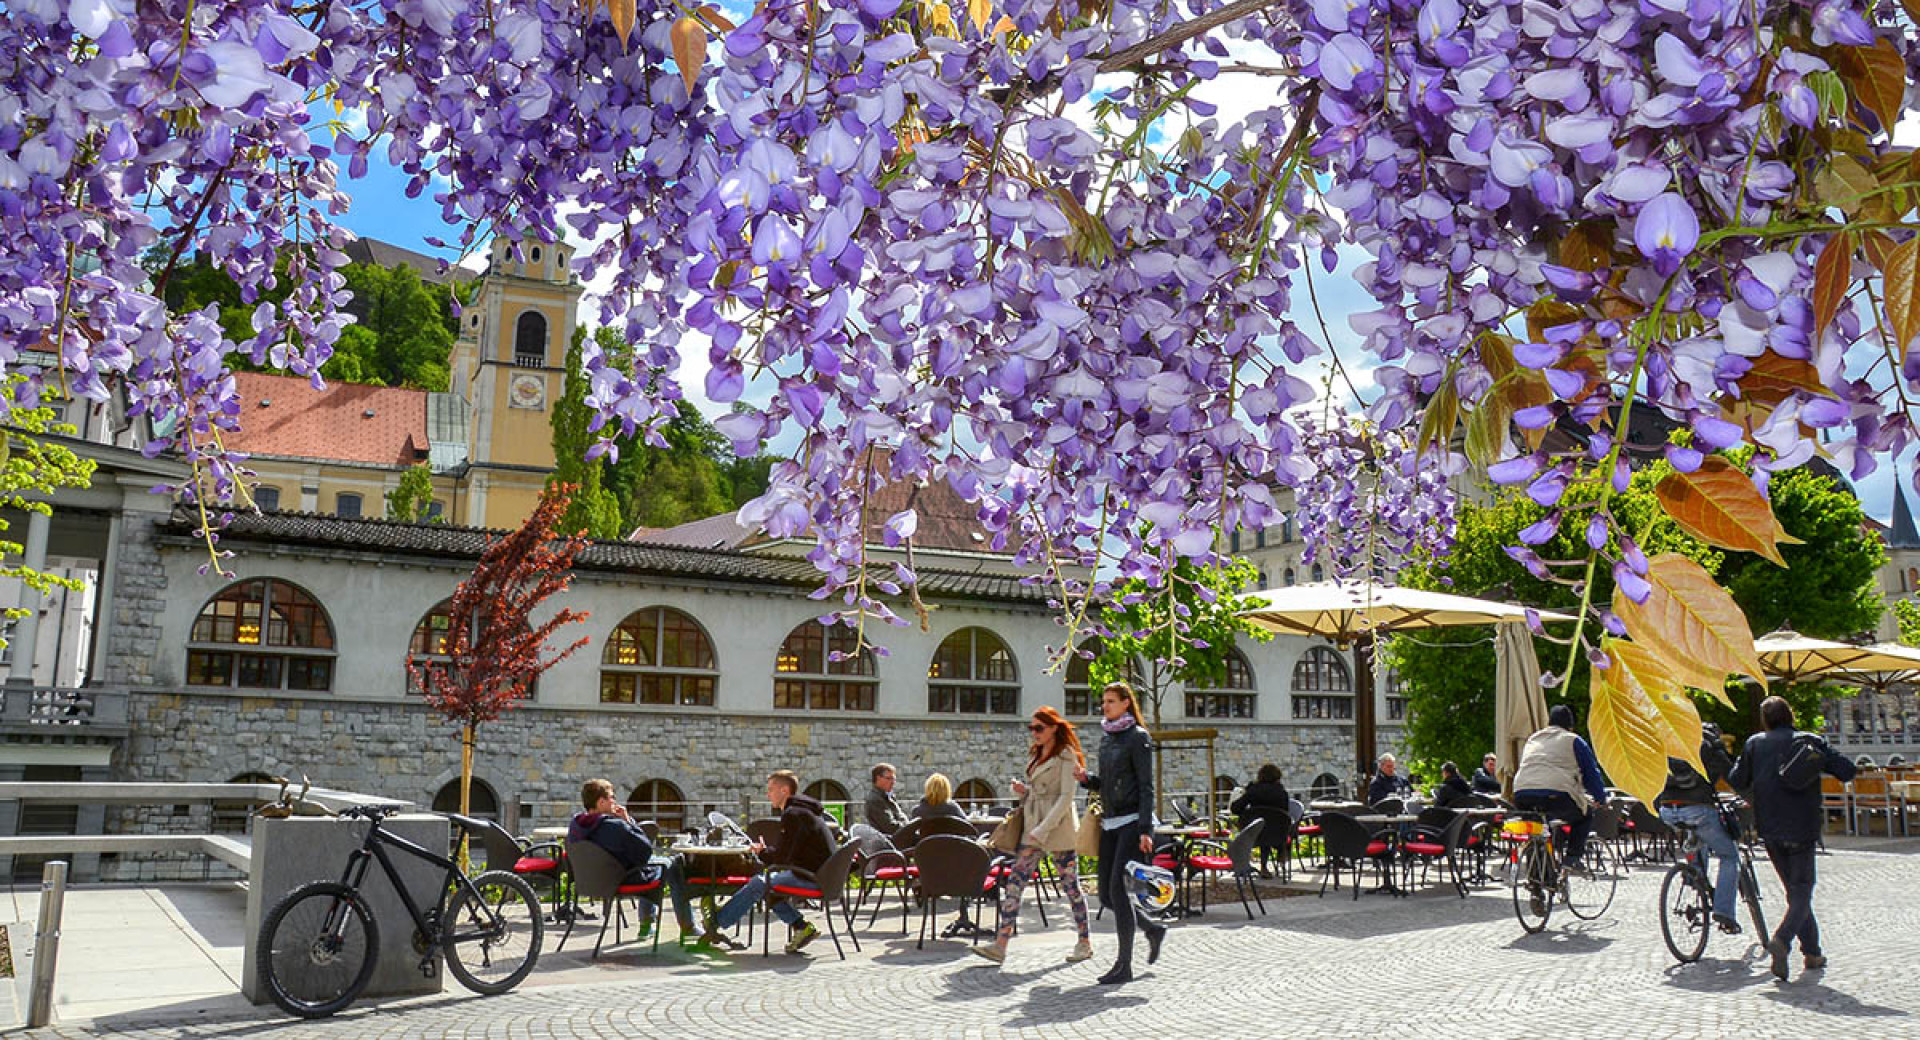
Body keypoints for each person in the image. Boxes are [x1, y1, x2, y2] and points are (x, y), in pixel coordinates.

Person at [1730, 696, 1858, 980]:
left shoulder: (1754, 744)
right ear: (1790, 716)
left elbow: (1737, 779)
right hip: (1803, 827)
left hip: (1770, 828)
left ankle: (1812, 953)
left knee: (1795, 892)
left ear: (1765, 720)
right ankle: (1783, 939)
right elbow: (1847, 770)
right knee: (1802, 890)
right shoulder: (1810, 741)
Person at [971, 706, 1093, 966]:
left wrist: (1043, 828)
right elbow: (1041, 792)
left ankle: (1084, 942)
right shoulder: (1037, 754)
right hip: (1033, 825)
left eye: (1039, 728)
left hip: (1056, 828)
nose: (1034, 733)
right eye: (1031, 728)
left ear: (1054, 728)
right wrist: (1024, 792)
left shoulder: (1066, 755)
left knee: (1070, 886)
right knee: (1015, 882)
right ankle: (1000, 944)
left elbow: (1066, 797)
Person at [1076, 681, 1167, 986]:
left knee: (1117, 890)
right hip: (1110, 823)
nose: (1105, 706)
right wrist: (1087, 779)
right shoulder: (1107, 738)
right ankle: (1152, 928)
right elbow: (1107, 783)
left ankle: (1123, 965)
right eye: (1104, 701)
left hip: (1131, 823)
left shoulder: (1138, 737)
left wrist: (1145, 829)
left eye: (1111, 701)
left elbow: (1145, 786)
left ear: (1126, 703)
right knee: (1105, 894)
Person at [702, 770, 837, 954]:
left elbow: (782, 858)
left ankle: (716, 921)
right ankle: (801, 926)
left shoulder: (793, 814)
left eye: (771, 789)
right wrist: (766, 852)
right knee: (767, 885)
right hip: (824, 877)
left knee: (759, 883)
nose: (768, 794)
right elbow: (790, 852)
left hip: (813, 878)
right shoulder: (804, 812)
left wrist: (762, 852)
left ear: (784, 790)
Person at [568, 778, 696, 939]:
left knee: (655, 863)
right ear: (601, 802)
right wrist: (627, 820)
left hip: (593, 882)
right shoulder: (614, 826)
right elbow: (645, 850)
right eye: (612, 797)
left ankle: (648, 926)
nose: (614, 801)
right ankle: (686, 927)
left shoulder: (575, 825)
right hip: (622, 879)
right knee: (672, 863)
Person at [1657, 722, 1740, 932]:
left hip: (1667, 809)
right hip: (1698, 809)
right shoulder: (1712, 744)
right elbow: (1732, 776)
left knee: (1697, 835)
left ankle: (1695, 876)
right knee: (1729, 856)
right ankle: (1724, 911)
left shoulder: (1671, 740)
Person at [1512, 704, 1609, 871]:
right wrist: (1601, 799)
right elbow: (1591, 774)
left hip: (1521, 793)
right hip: (1556, 794)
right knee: (1584, 816)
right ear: (1570, 726)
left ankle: (1539, 875)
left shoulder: (1533, 739)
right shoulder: (1573, 740)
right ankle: (1572, 858)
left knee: (1540, 828)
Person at [1230, 763, 1292, 876]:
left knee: (1261, 826)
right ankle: (1281, 852)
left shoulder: (1253, 790)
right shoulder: (1281, 792)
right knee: (1272, 826)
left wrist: (1247, 802)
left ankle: (1250, 866)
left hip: (1254, 835)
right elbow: (1286, 812)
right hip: (1277, 834)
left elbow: (1235, 808)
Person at [863, 762, 908, 835]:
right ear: (878, 778)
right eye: (889, 778)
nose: (892, 782)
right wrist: (907, 826)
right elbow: (890, 827)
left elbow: (900, 817)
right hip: (887, 840)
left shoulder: (888, 796)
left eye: (894, 779)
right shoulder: (875, 800)